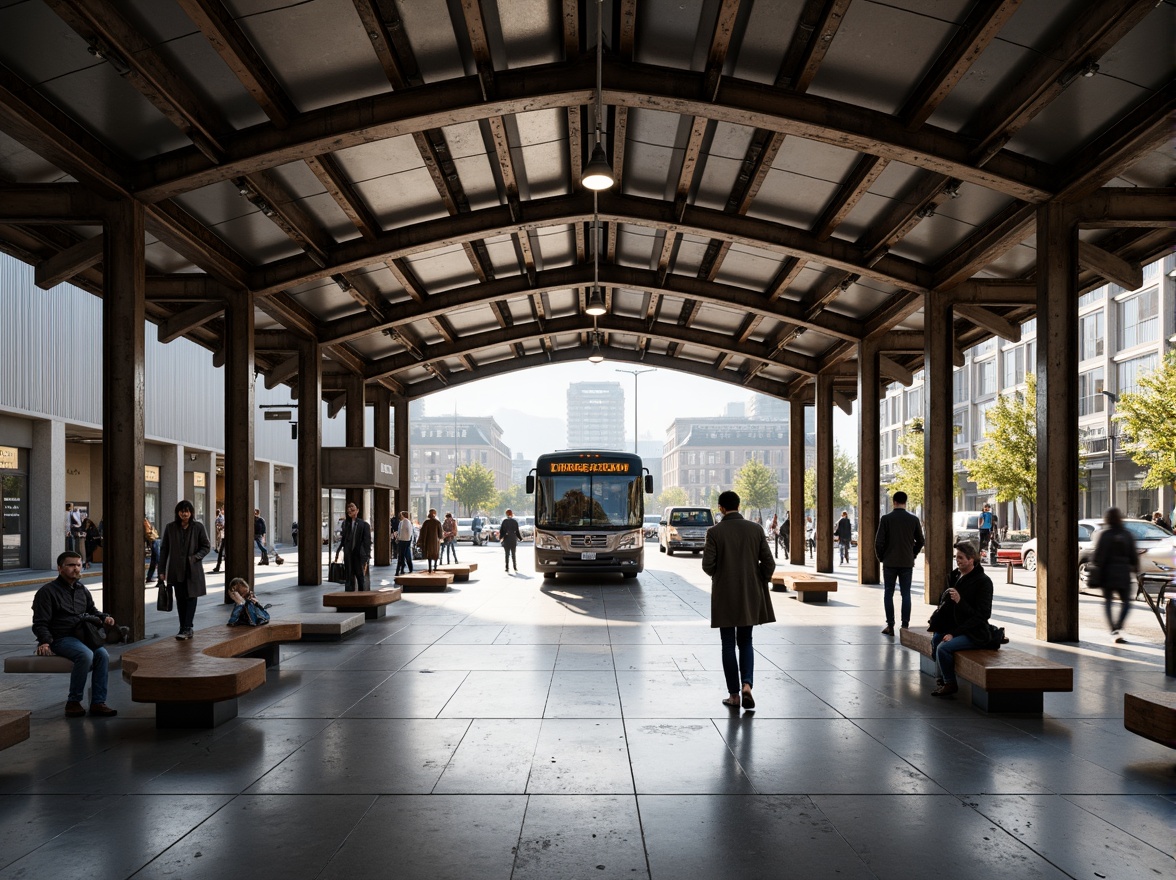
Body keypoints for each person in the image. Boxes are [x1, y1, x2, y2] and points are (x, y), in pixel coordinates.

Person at [702, 490, 776, 711]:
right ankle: (747, 685)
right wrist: (759, 580)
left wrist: (721, 574)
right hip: (749, 593)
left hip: (725, 593)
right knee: (746, 641)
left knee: (727, 643)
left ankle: (733, 695)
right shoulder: (755, 529)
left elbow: (707, 565)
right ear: (739, 505)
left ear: (721, 508)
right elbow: (769, 563)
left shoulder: (715, 532)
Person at [31, 551, 118, 717]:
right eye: (71, 565)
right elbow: (40, 622)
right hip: (60, 638)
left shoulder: (81, 589)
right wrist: (45, 641)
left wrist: (105, 617)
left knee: (102, 655)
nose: (76, 569)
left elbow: (92, 610)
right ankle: (74, 702)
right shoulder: (47, 592)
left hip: (83, 635)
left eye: (78, 565)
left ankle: (98, 702)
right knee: (85, 655)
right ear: (60, 568)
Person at [929, 542, 994, 697]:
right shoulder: (956, 576)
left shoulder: (983, 581)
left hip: (974, 631)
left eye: (960, 557)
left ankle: (950, 683)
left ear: (971, 560)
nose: (957, 560)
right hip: (956, 626)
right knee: (936, 638)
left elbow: (983, 615)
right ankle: (941, 679)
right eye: (956, 557)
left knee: (943, 647)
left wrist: (960, 602)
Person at [158, 499, 212, 640]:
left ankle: (187, 627)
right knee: (180, 599)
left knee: (191, 597)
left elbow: (206, 546)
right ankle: (183, 627)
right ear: (178, 512)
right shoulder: (170, 528)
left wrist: (195, 557)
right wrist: (162, 571)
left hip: (192, 569)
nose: (184, 514)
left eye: (187, 511)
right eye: (182, 511)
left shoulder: (198, 527)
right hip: (176, 569)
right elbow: (164, 550)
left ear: (191, 512)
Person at [875, 490, 925, 636]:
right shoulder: (913, 520)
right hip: (906, 562)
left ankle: (890, 626)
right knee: (906, 594)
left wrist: (882, 557)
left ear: (894, 502)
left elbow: (879, 542)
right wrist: (913, 554)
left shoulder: (886, 519)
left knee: (888, 593)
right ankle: (905, 625)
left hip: (890, 562)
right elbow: (921, 541)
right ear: (906, 501)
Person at [1089, 507, 1139, 642]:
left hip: (1107, 574)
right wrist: (1135, 569)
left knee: (1108, 602)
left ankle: (1113, 628)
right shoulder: (1127, 534)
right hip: (1123, 573)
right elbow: (1133, 556)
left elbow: (1097, 556)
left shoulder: (1104, 535)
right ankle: (1119, 625)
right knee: (1126, 602)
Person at [339, 501, 372, 591]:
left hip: (359, 555)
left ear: (357, 510)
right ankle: (350, 595)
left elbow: (367, 542)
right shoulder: (346, 524)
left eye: (353, 509)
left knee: (360, 577)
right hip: (348, 555)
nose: (350, 511)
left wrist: (366, 556)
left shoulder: (364, 525)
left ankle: (362, 595)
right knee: (349, 577)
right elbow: (344, 539)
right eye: (349, 510)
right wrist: (338, 552)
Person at [417, 508, 443, 573]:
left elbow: (422, 532)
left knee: (429, 555)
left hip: (427, 541)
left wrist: (421, 541)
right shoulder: (437, 522)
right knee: (435, 553)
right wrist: (440, 538)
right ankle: (435, 566)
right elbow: (440, 533)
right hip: (435, 542)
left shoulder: (426, 522)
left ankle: (429, 568)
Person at [144, 517, 161, 582]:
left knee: (154, 561)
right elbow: (149, 532)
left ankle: (149, 577)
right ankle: (159, 579)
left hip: (153, 540)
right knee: (157, 560)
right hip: (154, 540)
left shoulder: (145, 522)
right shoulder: (145, 522)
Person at [211, 507, 226, 574]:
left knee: (222, 552)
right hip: (223, 536)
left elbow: (220, 526)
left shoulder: (222, 517)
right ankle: (218, 566)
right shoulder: (221, 517)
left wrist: (221, 527)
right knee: (221, 552)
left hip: (225, 536)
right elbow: (218, 525)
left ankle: (218, 566)